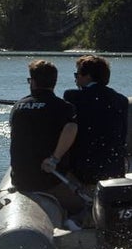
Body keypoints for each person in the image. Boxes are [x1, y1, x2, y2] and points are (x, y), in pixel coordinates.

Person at [8, 59, 83, 214]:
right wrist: (55, 159)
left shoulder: (18, 107)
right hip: (50, 180)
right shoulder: (64, 107)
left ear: (33, 82)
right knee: (85, 198)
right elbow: (71, 127)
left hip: (21, 179)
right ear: (54, 82)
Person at [62, 55, 129, 185]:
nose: (75, 79)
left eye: (77, 75)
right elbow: (122, 135)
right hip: (114, 168)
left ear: (88, 77)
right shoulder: (121, 100)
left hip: (84, 168)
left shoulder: (72, 96)